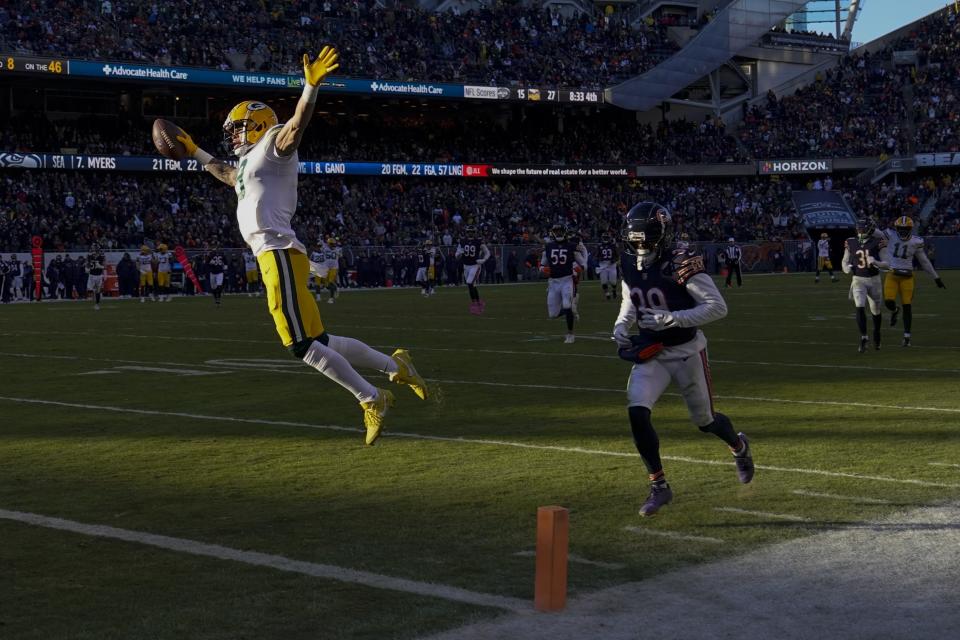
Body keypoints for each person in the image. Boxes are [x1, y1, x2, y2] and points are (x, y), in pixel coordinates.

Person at [175, 46, 426, 443]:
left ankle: (372, 397)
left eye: (239, 127)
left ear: (258, 124)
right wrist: (195, 153)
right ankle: (396, 366)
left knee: (300, 345)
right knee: (323, 341)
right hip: (278, 254)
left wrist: (310, 87)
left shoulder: (274, 141)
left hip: (277, 252)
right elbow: (228, 175)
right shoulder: (248, 162)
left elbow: (296, 126)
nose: (233, 134)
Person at [613, 202, 754, 517]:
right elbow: (630, 298)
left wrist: (673, 318)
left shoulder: (680, 260)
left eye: (646, 239)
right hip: (652, 351)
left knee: (705, 421)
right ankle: (659, 486)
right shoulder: (628, 260)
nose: (639, 246)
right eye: (634, 239)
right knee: (637, 411)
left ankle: (739, 447)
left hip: (687, 350)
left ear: (662, 236)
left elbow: (717, 307)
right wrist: (622, 324)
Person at [879, 215, 945, 347]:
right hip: (892, 274)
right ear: (896, 228)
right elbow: (875, 232)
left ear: (911, 228)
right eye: (901, 228)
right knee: (888, 301)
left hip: (907, 277)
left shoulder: (916, 241)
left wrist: (936, 277)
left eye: (906, 228)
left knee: (907, 306)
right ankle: (894, 310)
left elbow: (924, 261)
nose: (903, 231)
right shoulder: (890, 235)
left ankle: (907, 336)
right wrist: (865, 224)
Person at [842, 218, 885, 352]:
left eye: (863, 228)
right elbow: (844, 260)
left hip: (874, 280)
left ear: (870, 229)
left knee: (875, 311)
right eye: (859, 228)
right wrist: (846, 268)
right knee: (859, 306)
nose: (860, 231)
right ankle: (864, 337)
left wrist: (876, 262)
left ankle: (877, 334)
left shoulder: (878, 241)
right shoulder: (850, 242)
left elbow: (888, 263)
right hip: (858, 279)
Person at [541, 223, 586, 344]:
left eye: (561, 231)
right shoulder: (549, 246)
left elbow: (583, 263)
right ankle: (570, 311)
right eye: (557, 231)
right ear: (553, 233)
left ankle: (570, 334)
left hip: (567, 280)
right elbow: (542, 264)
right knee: (553, 315)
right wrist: (542, 269)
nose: (559, 233)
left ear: (565, 232)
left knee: (566, 305)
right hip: (553, 282)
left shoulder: (571, 246)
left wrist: (580, 268)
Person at [456, 225, 490, 314]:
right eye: (469, 231)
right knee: (471, 285)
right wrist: (460, 254)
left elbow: (487, 252)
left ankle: (474, 304)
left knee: (470, 282)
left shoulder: (479, 241)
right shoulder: (462, 241)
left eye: (472, 232)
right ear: (466, 232)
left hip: (475, 265)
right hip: (465, 266)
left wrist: (484, 260)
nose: (470, 233)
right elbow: (457, 255)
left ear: (474, 232)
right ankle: (479, 302)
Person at [597, 231, 619, 301]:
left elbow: (617, 256)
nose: (606, 239)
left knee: (613, 282)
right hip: (603, 265)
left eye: (607, 237)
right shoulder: (599, 246)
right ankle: (607, 294)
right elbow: (596, 256)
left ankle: (614, 290)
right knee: (604, 281)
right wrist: (599, 258)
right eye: (604, 237)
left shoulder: (613, 246)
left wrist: (613, 260)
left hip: (611, 265)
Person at [87, 244, 107, 310]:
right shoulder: (89, 256)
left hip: (99, 275)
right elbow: (87, 264)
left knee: (97, 290)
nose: (93, 250)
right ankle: (94, 298)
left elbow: (105, 266)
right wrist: (87, 268)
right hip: (92, 275)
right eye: (92, 249)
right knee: (90, 289)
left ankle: (97, 304)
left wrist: (100, 267)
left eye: (94, 249)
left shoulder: (102, 257)